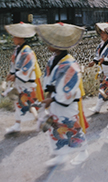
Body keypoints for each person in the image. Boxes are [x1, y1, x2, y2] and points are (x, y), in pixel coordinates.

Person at [36, 22, 89, 166]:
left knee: (72, 128)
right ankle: (60, 154)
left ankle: (83, 152)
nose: (48, 43)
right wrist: (48, 97)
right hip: (54, 102)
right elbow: (49, 82)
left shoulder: (71, 65)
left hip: (66, 103)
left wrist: (51, 99)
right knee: (56, 128)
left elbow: (68, 90)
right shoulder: (52, 60)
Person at [4, 22, 44, 133]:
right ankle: (18, 124)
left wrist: (15, 75)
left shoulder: (28, 52)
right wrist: (11, 73)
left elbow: (27, 68)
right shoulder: (17, 50)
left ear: (21, 38)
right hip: (20, 82)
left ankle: (43, 119)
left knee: (31, 103)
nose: (13, 39)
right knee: (20, 102)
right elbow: (14, 64)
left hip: (26, 82)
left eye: (15, 37)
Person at [88, 23, 108, 113]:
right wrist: (94, 61)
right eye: (101, 33)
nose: (102, 35)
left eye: (104, 33)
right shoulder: (101, 45)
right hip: (103, 70)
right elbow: (98, 55)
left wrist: (104, 59)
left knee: (103, 87)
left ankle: (98, 107)